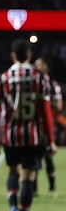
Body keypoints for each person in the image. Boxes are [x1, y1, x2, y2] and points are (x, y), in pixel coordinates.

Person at [0, 40, 56, 211]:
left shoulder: (2, 78)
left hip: (11, 137)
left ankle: (12, 207)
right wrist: (51, 140)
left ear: (13, 56)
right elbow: (45, 112)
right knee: (29, 178)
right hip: (33, 137)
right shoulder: (39, 78)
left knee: (13, 173)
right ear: (30, 56)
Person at [34, 57, 61, 194]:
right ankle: (33, 189)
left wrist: (44, 105)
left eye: (40, 64)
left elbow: (58, 104)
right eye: (36, 65)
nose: (37, 67)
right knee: (34, 157)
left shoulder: (52, 84)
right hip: (33, 125)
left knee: (48, 156)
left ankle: (52, 187)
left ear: (46, 67)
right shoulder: (32, 82)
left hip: (47, 125)